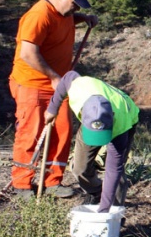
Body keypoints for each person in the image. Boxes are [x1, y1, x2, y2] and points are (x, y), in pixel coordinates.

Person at [9, 0, 98, 198]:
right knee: (30, 133)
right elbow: (28, 54)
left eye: (79, 5)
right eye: (74, 3)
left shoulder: (64, 12)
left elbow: (65, 18)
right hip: (33, 84)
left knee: (61, 132)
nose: (75, 7)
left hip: (58, 83)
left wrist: (83, 17)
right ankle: (21, 184)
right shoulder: (38, 15)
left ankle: (52, 181)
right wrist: (53, 77)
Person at [45, 71, 140, 212]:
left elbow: (113, 170)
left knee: (116, 174)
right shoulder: (78, 88)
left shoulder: (121, 124)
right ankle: (96, 191)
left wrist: (104, 213)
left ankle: (116, 210)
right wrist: (52, 109)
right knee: (80, 168)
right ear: (83, 115)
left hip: (124, 119)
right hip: (92, 120)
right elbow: (66, 78)